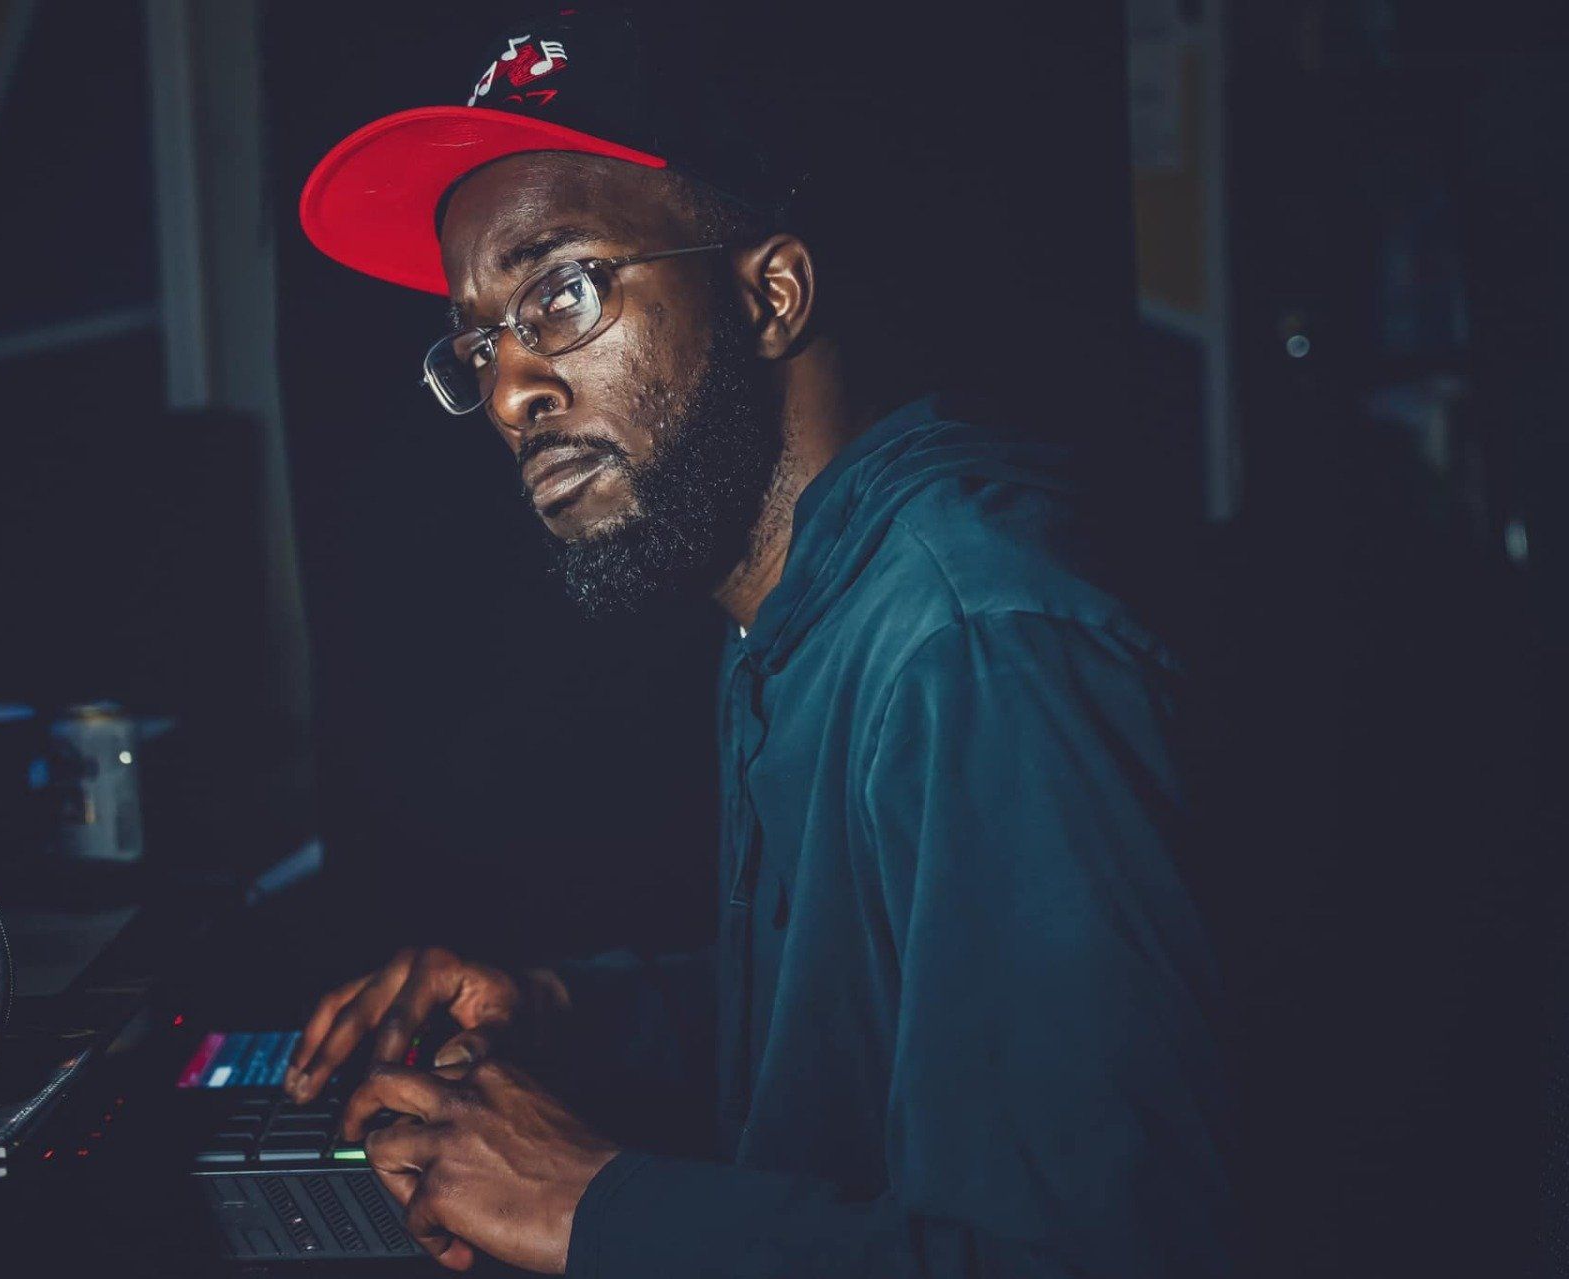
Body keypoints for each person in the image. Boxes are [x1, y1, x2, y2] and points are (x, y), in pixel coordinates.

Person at [287, 7, 1232, 1275]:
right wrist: (570, 1013)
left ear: (771, 292)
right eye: (480, 338)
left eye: (560, 291)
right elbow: (858, 1029)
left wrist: (596, 1207)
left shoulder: (977, 644)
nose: (511, 390)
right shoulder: (800, 606)